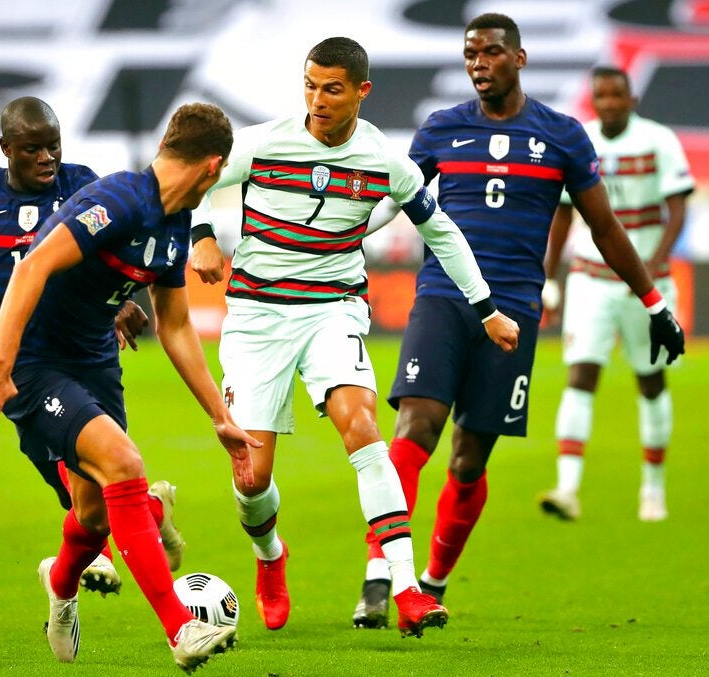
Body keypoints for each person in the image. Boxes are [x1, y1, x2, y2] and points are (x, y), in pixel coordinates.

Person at [349, 13, 686, 628]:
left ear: (520, 59)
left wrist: (653, 302)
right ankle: (383, 573)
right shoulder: (441, 130)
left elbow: (604, 228)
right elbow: (387, 205)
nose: (479, 63)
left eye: (491, 53)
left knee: (468, 460)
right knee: (415, 427)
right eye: (470, 54)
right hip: (443, 299)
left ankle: (435, 580)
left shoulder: (561, 136)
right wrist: (335, 249)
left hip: (515, 312)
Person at [189, 36, 520, 638]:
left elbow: (439, 230)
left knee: (363, 427)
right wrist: (204, 235)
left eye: (332, 88)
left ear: (361, 92)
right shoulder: (263, 142)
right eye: (310, 85)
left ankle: (408, 589)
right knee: (252, 478)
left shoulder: (384, 160)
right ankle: (271, 559)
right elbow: (198, 178)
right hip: (258, 314)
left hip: (332, 310)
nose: (317, 99)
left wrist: (487, 310)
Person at [0, 102, 258, 673]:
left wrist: (217, 415)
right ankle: (181, 627)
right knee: (123, 462)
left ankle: (60, 582)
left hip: (96, 362)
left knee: (94, 515)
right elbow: (30, 268)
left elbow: (174, 325)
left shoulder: (174, 223)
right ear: (212, 167)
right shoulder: (119, 201)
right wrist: (2, 364)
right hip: (35, 361)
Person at [0, 96, 185, 596]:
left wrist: (121, 304)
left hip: (84, 355)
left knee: (97, 484)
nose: (46, 158)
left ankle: (139, 594)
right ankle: (149, 513)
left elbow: (113, 254)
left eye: (53, 146)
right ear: (6, 148)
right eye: (32, 149)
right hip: (22, 365)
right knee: (85, 496)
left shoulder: (81, 182)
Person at [538, 67, 694, 522]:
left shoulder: (659, 140)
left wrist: (658, 261)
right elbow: (564, 215)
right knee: (580, 375)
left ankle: (653, 488)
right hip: (591, 278)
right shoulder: (579, 140)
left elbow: (678, 206)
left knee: (650, 381)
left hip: (646, 283)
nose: (607, 103)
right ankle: (567, 488)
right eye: (600, 96)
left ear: (632, 99)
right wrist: (550, 277)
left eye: (615, 95)